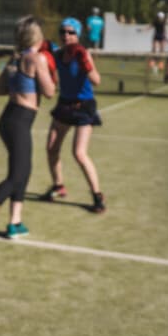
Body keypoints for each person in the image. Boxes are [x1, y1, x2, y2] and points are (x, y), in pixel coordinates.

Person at [0, 16, 56, 249]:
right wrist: (47, 72)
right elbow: (49, 92)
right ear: (38, 36)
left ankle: (15, 222)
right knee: (17, 175)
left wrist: (19, 83)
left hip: (9, 118)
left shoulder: (15, 59)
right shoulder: (37, 58)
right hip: (20, 121)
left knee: (23, 170)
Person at [41, 17, 106, 213]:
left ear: (78, 35)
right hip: (64, 104)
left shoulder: (82, 53)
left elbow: (97, 81)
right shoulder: (58, 54)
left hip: (83, 106)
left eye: (71, 32)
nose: (66, 36)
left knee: (79, 153)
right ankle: (58, 185)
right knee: (51, 148)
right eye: (63, 32)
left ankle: (97, 195)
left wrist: (85, 62)